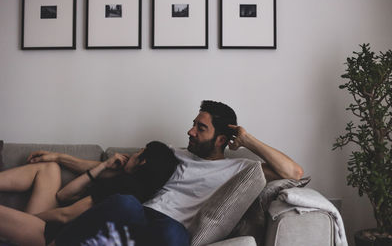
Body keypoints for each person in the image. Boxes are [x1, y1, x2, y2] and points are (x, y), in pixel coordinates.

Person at [37, 100, 304, 246]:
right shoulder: (172, 153)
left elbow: (294, 172)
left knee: (174, 237)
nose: (190, 131)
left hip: (171, 230)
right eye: (193, 125)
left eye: (201, 128)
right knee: (125, 202)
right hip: (139, 214)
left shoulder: (241, 169)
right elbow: (111, 168)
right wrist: (60, 157)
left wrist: (248, 140)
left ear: (222, 139)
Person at [0, 141, 178, 246]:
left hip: (52, 235)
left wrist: (24, 219)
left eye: (139, 152)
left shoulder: (125, 189)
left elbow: (65, 215)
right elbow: (63, 196)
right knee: (50, 168)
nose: (131, 154)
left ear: (142, 161)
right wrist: (103, 166)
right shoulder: (132, 186)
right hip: (52, 227)